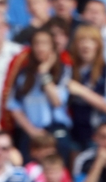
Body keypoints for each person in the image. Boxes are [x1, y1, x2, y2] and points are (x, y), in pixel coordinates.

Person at [6, 28, 72, 162]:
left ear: (52, 47)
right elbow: (14, 106)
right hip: (31, 129)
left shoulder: (63, 70)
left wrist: (44, 72)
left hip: (55, 127)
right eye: (37, 43)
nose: (40, 48)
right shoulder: (23, 73)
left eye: (45, 43)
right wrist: (32, 131)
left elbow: (57, 101)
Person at [67, 25, 106, 150]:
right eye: (82, 40)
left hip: (96, 134)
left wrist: (82, 91)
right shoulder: (69, 68)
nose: (86, 45)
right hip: (72, 131)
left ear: (98, 45)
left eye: (91, 41)